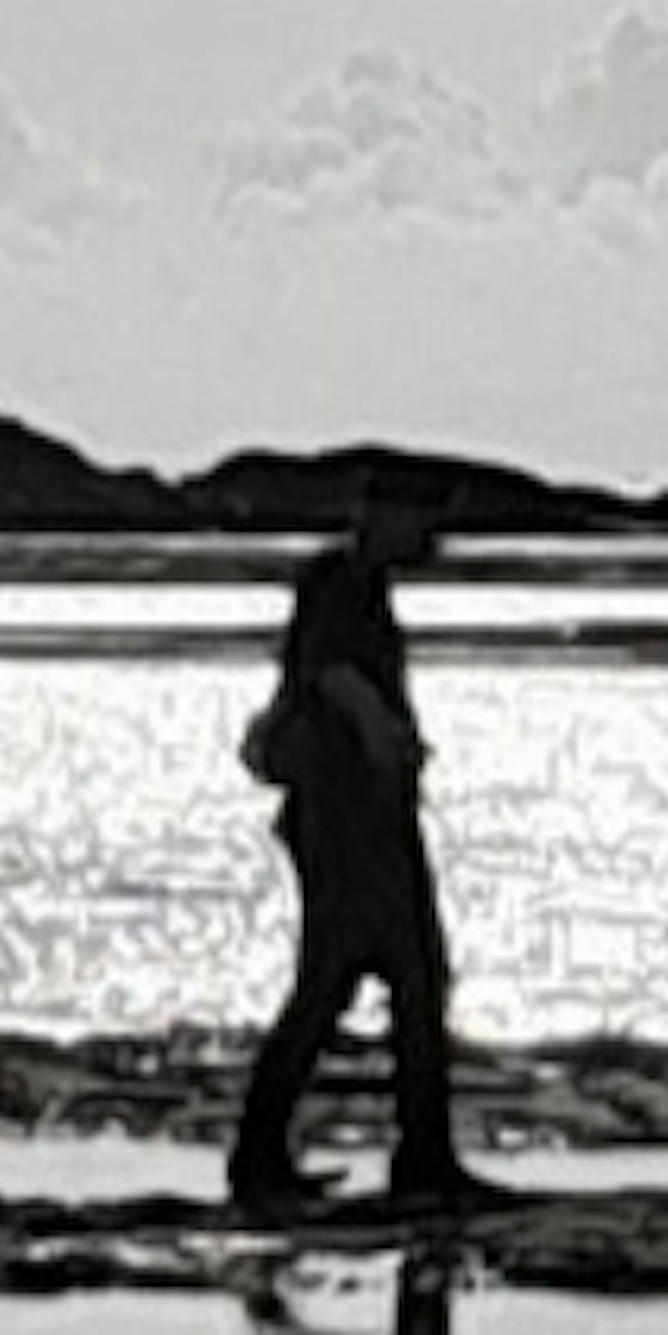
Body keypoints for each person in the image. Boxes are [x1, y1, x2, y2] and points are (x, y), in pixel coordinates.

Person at [227, 476, 487, 1217]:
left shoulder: (358, 585)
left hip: (360, 815)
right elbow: (332, 676)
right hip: (345, 819)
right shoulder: (340, 583)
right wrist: (384, 734)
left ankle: (409, 1155)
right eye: (426, 521)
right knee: (372, 981)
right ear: (386, 514)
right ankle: (386, 1159)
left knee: (387, 983)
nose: (435, 542)